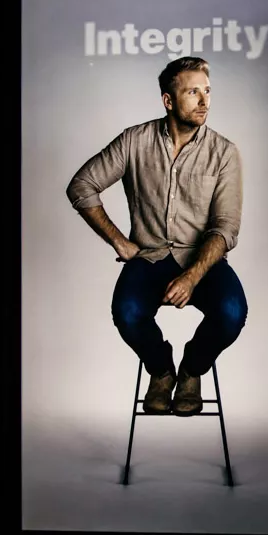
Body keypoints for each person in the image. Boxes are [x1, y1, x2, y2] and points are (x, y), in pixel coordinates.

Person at [67, 56, 246, 417]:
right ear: (168, 100)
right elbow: (82, 186)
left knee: (232, 312)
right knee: (127, 312)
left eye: (207, 91)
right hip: (148, 258)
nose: (204, 100)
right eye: (192, 91)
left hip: (201, 261)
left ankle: (192, 370)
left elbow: (225, 227)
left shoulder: (224, 152)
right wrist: (118, 240)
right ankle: (161, 370)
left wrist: (193, 276)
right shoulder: (135, 141)